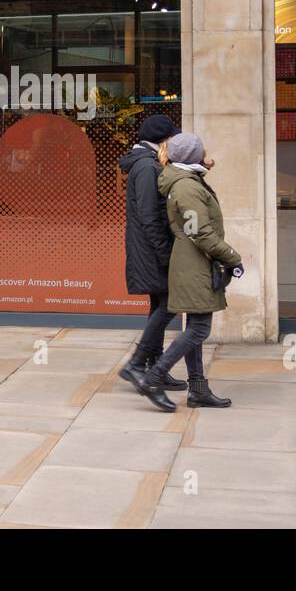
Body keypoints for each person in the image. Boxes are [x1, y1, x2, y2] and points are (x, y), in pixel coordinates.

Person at [131, 132, 242, 413]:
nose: (206, 153)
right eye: (202, 150)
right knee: (199, 329)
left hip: (193, 261)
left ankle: (198, 389)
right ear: (192, 156)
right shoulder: (186, 187)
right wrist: (232, 257)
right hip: (194, 263)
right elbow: (199, 231)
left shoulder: (186, 180)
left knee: (195, 325)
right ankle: (154, 377)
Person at [117, 114, 187, 391]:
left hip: (149, 249)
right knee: (168, 303)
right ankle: (139, 364)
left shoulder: (150, 163)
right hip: (150, 250)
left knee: (160, 304)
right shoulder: (146, 167)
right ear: (163, 140)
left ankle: (153, 368)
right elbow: (149, 215)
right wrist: (166, 254)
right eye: (172, 139)